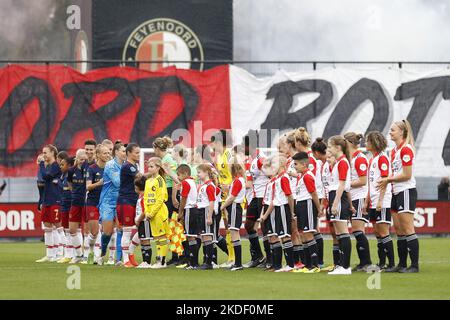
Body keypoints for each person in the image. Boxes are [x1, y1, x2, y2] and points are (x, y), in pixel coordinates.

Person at [378, 120, 419, 273]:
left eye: (393, 130)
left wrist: (388, 179)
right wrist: (386, 180)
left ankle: (414, 265)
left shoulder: (406, 149)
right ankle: (402, 264)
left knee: (408, 228)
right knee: (399, 230)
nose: (390, 132)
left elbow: (407, 175)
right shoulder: (394, 150)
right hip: (396, 191)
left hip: (406, 191)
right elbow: (395, 172)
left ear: (402, 132)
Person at [364, 131, 396, 272]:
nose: (365, 144)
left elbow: (385, 182)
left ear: (373, 143)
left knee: (383, 232)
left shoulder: (382, 158)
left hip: (381, 200)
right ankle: (382, 262)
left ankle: (391, 264)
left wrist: (380, 201)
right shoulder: (373, 159)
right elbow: (371, 183)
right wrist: (367, 200)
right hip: (373, 200)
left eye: (367, 141)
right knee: (377, 232)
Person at [344, 132, 372, 271]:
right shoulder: (350, 158)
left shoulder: (360, 158)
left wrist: (345, 184)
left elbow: (362, 180)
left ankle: (366, 262)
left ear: (348, 142)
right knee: (356, 231)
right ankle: (363, 262)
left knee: (358, 230)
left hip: (359, 197)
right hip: (353, 197)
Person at [326, 135, 354, 275]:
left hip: (339, 197)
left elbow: (342, 184)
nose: (329, 149)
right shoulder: (338, 162)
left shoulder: (343, 162)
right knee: (338, 233)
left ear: (338, 147)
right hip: (334, 196)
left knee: (343, 232)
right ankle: (341, 265)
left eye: (330, 146)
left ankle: (346, 266)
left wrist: (336, 203)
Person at [291, 151, 322, 273]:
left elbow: (313, 193)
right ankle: (307, 264)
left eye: (296, 164)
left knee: (309, 234)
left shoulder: (308, 176)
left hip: (308, 204)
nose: (294, 166)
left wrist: (318, 208)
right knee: (303, 235)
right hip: (301, 205)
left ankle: (315, 265)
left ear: (304, 165)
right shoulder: (301, 176)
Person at [97, 141, 126, 265]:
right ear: (116, 152)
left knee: (120, 229)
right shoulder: (110, 165)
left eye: (126, 151)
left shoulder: (127, 165)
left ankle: (118, 259)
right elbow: (117, 182)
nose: (125, 153)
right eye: (123, 151)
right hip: (108, 201)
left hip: (121, 200)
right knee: (107, 231)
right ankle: (102, 253)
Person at [153, 136, 180, 265]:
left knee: (173, 225)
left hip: (170, 193)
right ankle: (176, 255)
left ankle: (178, 256)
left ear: (157, 148)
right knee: (171, 225)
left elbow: (176, 179)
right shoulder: (165, 159)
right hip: (167, 193)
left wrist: (174, 197)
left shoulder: (167, 160)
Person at [211, 130, 235, 268]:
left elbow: (238, 175)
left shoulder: (230, 154)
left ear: (219, 142)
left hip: (232, 195)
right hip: (223, 196)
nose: (212, 146)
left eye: (213, 142)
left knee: (232, 227)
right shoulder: (220, 156)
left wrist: (230, 186)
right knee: (227, 227)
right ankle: (231, 258)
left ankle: (234, 258)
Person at [35, 145, 62, 263]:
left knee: (58, 227)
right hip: (47, 200)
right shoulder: (47, 166)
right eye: (43, 152)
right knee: (47, 228)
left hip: (55, 200)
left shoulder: (56, 166)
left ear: (52, 153)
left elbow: (46, 176)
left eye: (46, 152)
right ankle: (50, 254)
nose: (43, 155)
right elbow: (42, 182)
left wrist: (41, 164)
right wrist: (41, 200)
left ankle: (61, 253)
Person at [243, 145, 268, 268]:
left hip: (262, 195)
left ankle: (270, 258)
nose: (243, 148)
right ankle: (258, 256)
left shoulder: (261, 158)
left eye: (244, 146)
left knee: (264, 226)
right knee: (248, 225)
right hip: (253, 196)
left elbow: (270, 173)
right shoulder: (250, 159)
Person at [117, 143, 141, 266]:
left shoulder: (134, 165)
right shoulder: (127, 166)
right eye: (136, 152)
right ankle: (126, 259)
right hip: (125, 201)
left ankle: (130, 254)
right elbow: (140, 178)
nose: (138, 154)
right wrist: (156, 172)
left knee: (140, 229)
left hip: (133, 200)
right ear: (129, 153)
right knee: (126, 231)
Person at [84, 144, 109, 264]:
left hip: (106, 203)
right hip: (92, 202)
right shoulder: (92, 169)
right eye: (104, 153)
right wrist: (99, 183)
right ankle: (90, 250)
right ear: (98, 155)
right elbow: (88, 187)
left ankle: (98, 257)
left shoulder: (111, 168)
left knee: (104, 230)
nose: (107, 155)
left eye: (108, 152)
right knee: (94, 232)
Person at [144, 157, 170, 269]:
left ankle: (162, 262)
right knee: (156, 238)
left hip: (159, 212)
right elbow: (145, 198)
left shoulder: (160, 180)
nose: (149, 168)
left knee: (161, 236)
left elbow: (160, 199)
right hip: (150, 213)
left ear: (158, 168)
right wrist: (146, 212)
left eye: (151, 166)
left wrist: (153, 212)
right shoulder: (148, 181)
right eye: (148, 166)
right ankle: (159, 260)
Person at [220, 161, 246, 271]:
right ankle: (237, 262)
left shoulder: (238, 181)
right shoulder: (239, 181)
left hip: (235, 207)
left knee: (234, 234)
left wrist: (222, 206)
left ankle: (238, 263)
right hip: (235, 207)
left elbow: (232, 197)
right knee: (234, 233)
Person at [311, 137, 332, 270]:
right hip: (325, 198)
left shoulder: (329, 163)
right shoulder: (322, 165)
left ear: (317, 153)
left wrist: (322, 203)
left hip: (329, 198)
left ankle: (320, 260)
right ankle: (320, 261)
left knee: (314, 229)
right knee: (316, 229)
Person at [176, 164, 199, 269]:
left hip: (189, 209)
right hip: (194, 209)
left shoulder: (185, 182)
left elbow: (184, 199)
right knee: (192, 235)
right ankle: (193, 262)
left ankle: (193, 262)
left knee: (190, 236)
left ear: (185, 173)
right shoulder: (192, 181)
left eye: (179, 175)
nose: (178, 177)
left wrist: (180, 212)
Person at [67, 149, 88, 264]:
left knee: (87, 231)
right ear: (76, 158)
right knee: (72, 230)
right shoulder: (71, 171)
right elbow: (70, 183)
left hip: (86, 203)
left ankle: (86, 255)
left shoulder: (88, 169)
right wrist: (74, 192)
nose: (82, 161)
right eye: (80, 159)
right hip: (75, 202)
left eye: (84, 159)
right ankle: (79, 254)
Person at [196, 164, 218, 270]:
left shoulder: (209, 185)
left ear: (206, 173)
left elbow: (211, 201)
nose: (198, 174)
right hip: (201, 211)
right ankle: (206, 260)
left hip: (206, 211)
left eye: (199, 172)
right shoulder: (204, 185)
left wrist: (209, 216)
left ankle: (209, 262)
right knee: (204, 236)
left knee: (208, 236)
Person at [129, 175, 152, 268]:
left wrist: (138, 220)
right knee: (142, 241)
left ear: (137, 188)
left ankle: (147, 262)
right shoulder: (141, 197)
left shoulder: (144, 198)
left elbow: (144, 211)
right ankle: (144, 261)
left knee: (146, 241)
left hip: (144, 221)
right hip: (141, 221)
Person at [56, 153, 73, 263]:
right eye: (60, 164)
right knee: (66, 230)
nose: (60, 166)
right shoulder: (62, 176)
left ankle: (70, 254)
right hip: (64, 205)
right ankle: (69, 254)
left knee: (71, 231)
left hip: (70, 205)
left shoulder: (69, 176)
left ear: (69, 166)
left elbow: (72, 191)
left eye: (62, 164)